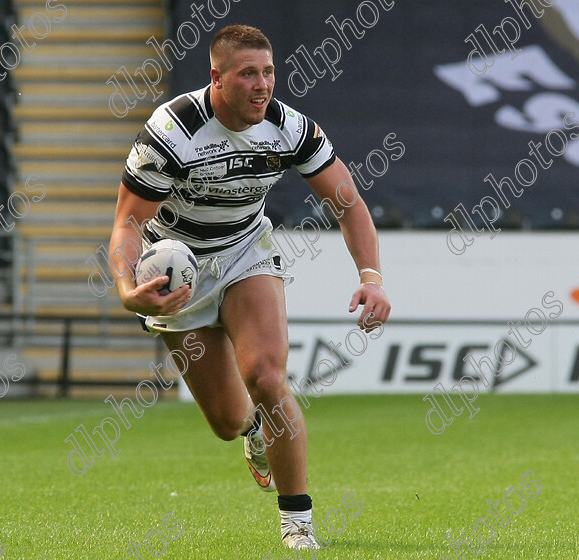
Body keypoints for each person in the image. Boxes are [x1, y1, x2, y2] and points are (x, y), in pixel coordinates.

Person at [110, 25, 391, 551]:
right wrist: (128, 289)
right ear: (216, 77)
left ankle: (298, 522)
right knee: (226, 420)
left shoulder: (290, 127)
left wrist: (371, 278)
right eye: (248, 74)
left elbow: (348, 203)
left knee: (265, 375)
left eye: (268, 72)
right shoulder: (170, 131)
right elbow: (127, 224)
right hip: (178, 267)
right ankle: (253, 432)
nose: (262, 85)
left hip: (246, 253)